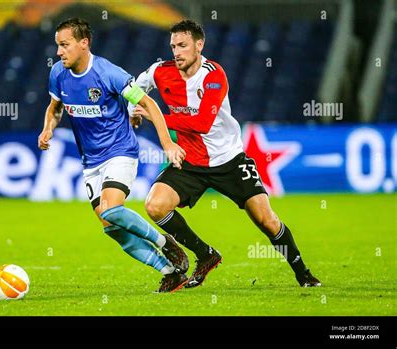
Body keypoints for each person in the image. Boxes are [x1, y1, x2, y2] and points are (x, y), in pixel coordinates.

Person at [129, 19, 321, 288]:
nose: (177, 52)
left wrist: (155, 116)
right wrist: (132, 112)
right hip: (190, 161)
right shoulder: (160, 71)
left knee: (266, 220)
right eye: (173, 46)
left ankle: (304, 274)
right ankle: (205, 254)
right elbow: (134, 89)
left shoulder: (213, 75)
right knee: (155, 205)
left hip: (229, 161)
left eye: (183, 45)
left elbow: (201, 124)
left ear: (199, 44)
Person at [38, 18, 190, 293]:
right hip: (90, 162)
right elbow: (55, 107)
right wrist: (48, 128)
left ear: (84, 43)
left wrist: (167, 143)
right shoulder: (58, 74)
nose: (59, 52)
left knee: (111, 208)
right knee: (111, 226)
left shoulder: (109, 73)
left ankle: (165, 242)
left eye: (64, 45)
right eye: (58, 46)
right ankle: (170, 272)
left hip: (120, 151)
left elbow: (148, 103)